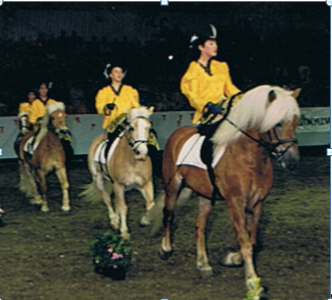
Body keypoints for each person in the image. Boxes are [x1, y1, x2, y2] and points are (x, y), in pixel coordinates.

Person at [181, 24, 242, 125]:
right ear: (201, 47)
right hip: (207, 114)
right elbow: (192, 95)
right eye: (211, 44)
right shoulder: (193, 69)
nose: (215, 47)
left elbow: (230, 89)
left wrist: (243, 97)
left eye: (215, 44)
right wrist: (207, 105)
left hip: (224, 111)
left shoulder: (222, 66)